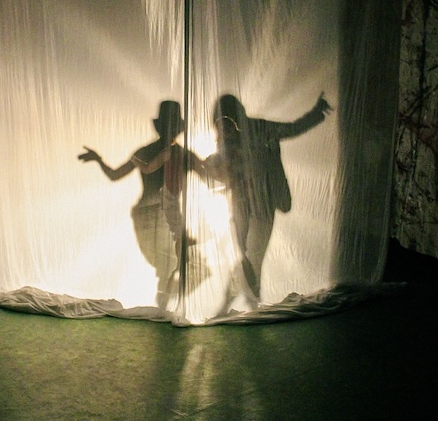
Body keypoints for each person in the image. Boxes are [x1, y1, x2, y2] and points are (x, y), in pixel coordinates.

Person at [205, 92, 332, 297]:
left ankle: (249, 300)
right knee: (246, 255)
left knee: (253, 256)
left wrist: (316, 113)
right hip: (240, 202)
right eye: (220, 122)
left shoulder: (258, 128)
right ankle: (246, 299)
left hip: (262, 201)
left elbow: (291, 129)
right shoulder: (225, 138)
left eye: (226, 120)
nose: (223, 126)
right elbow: (223, 171)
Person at [78, 100, 204, 265]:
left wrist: (98, 159)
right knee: (178, 267)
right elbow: (210, 177)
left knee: (175, 268)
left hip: (150, 216)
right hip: (154, 216)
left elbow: (115, 175)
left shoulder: (149, 152)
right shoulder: (183, 155)